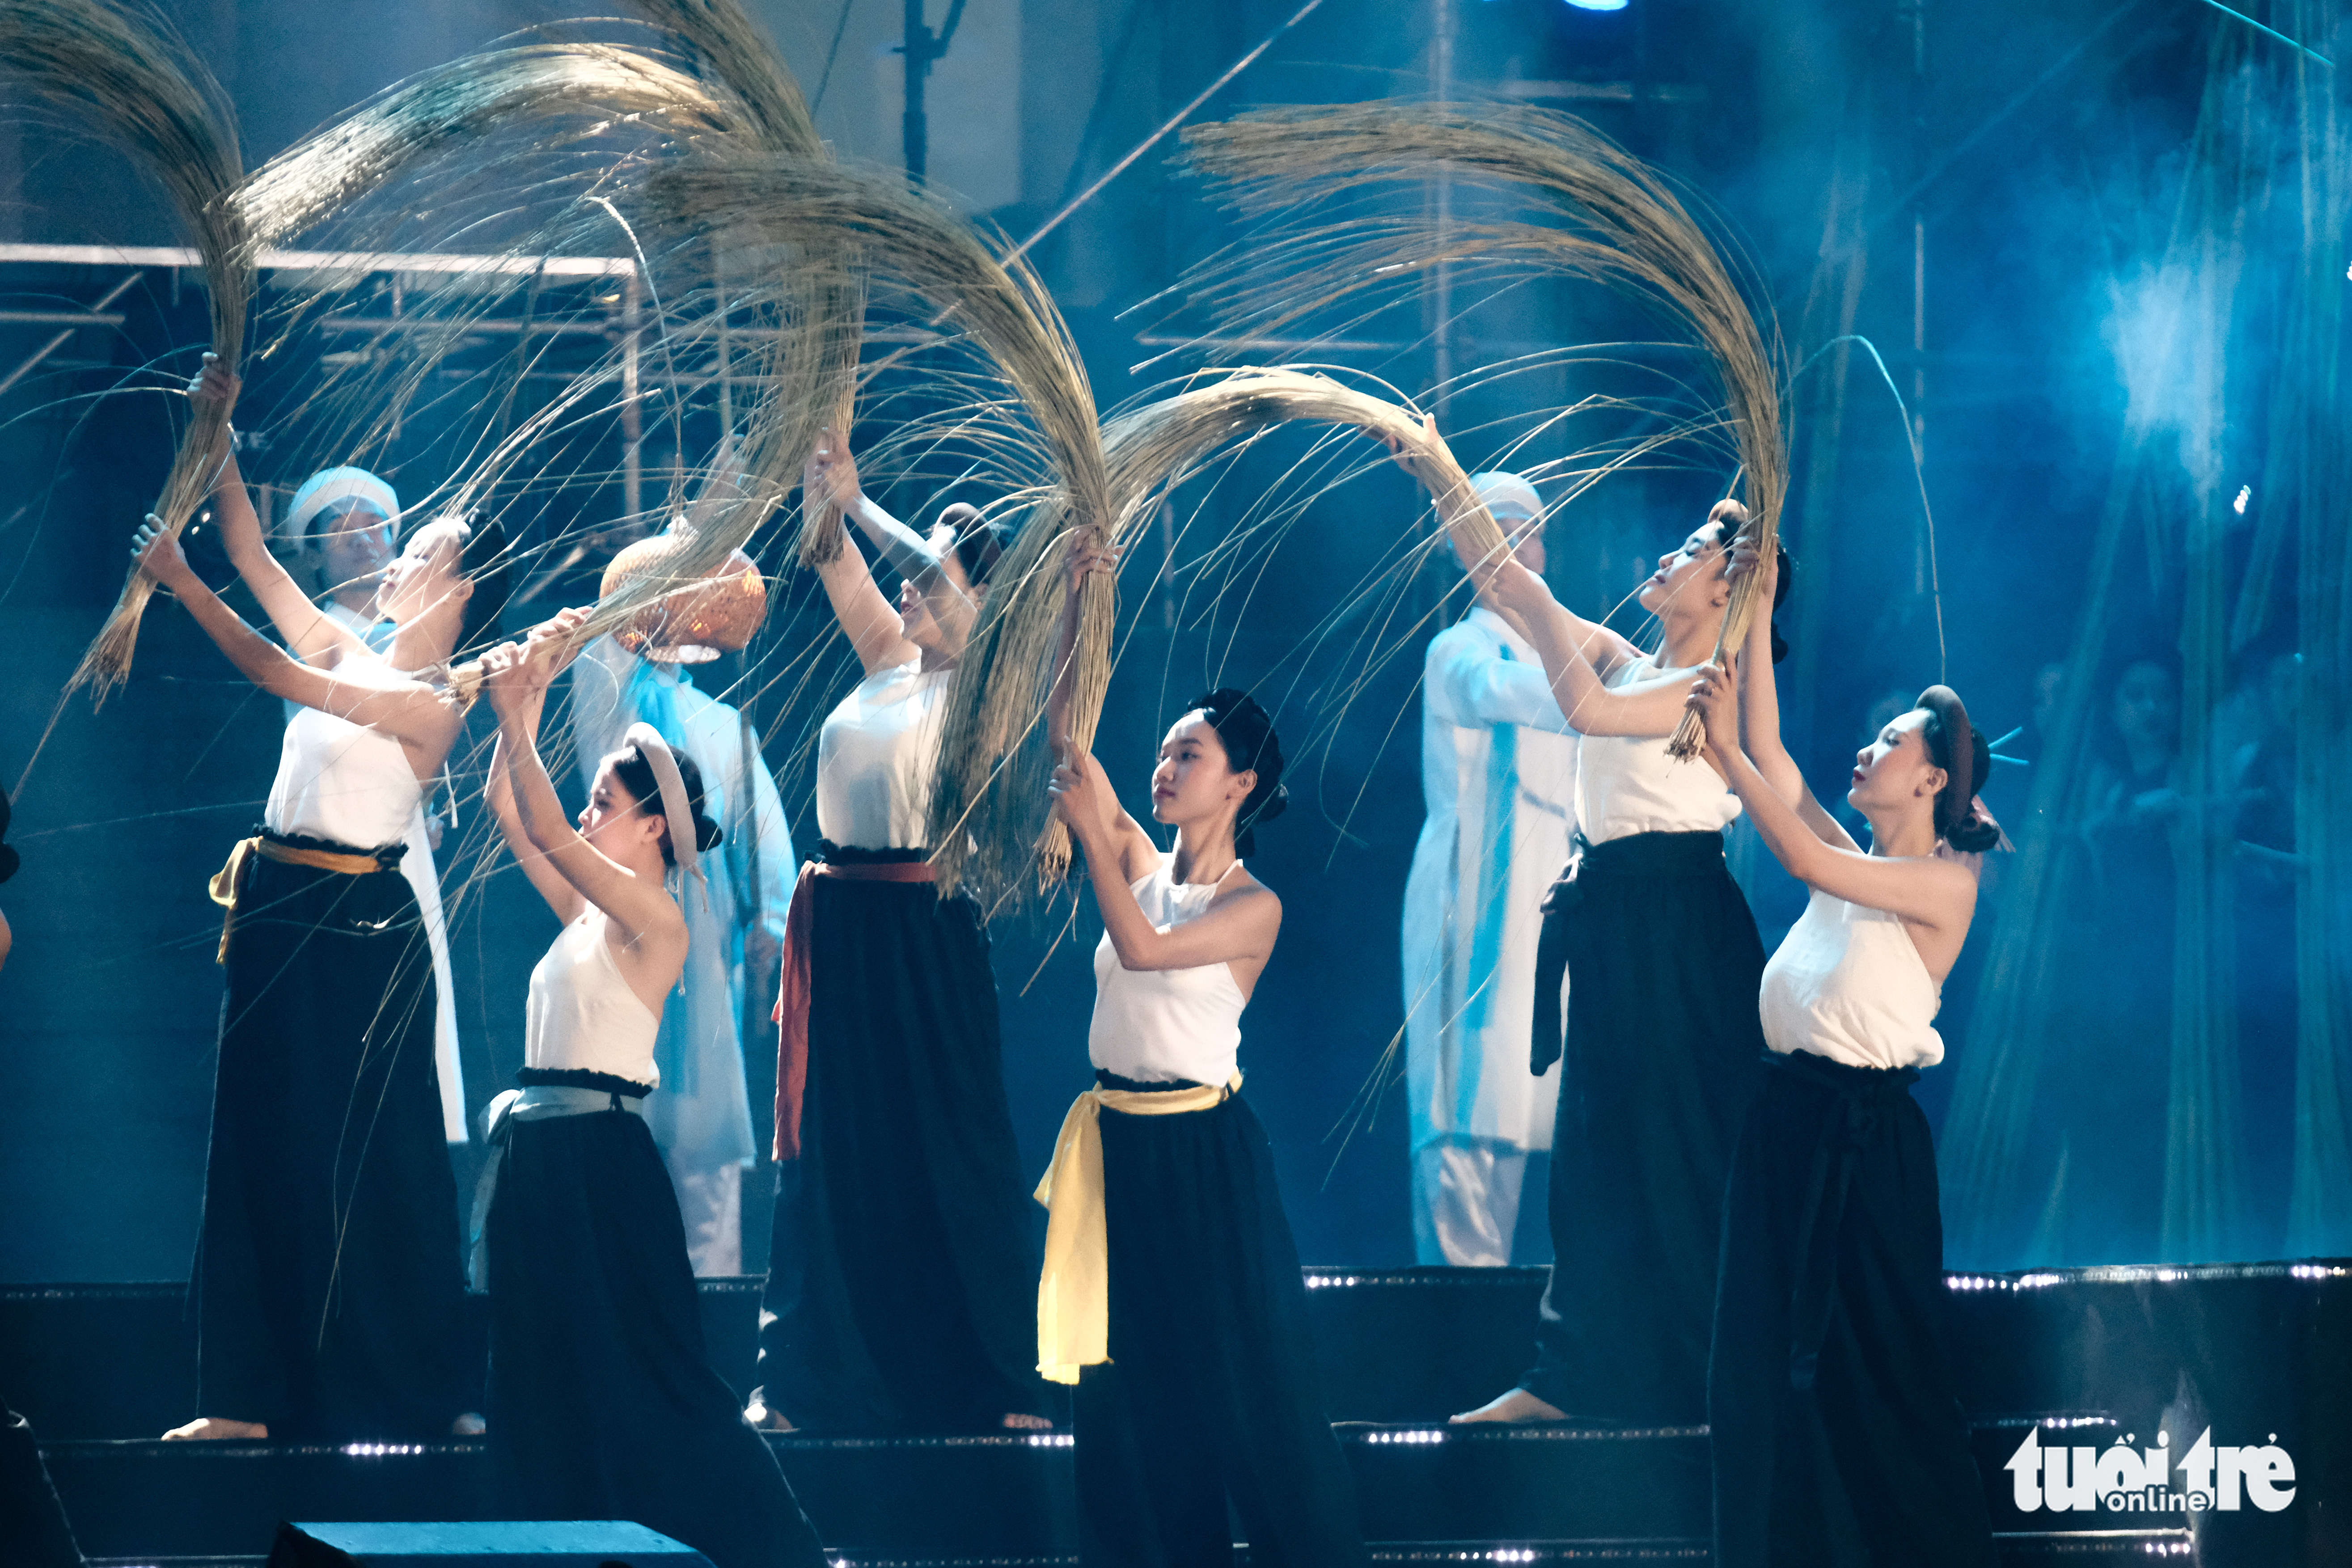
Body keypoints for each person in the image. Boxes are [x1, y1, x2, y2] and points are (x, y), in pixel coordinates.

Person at [131, 400, 503, 1440]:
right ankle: (243, 1395)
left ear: (458, 589)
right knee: (258, 1138)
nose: (398, 557)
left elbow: (268, 669)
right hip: (276, 911)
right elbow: (249, 543)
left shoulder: (432, 699)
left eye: (420, 551)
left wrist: (181, 583)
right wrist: (217, 434)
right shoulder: (350, 645)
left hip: (362, 928)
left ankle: (424, 1382)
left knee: (379, 1156)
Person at [473, 612, 825, 1568]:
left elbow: (546, 819)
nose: (588, 813)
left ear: (654, 824)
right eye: (589, 798)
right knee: (540, 1363)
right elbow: (516, 816)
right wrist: (521, 703)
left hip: (598, 1162)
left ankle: (754, 1544)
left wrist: (518, 714)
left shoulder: (656, 918)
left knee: (651, 1373)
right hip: (542, 1160)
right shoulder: (589, 911)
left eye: (603, 800)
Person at [1038, 546, 1365, 1566]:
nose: (1165, 765)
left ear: (1241, 782)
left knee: (1245, 1379)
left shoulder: (1249, 905)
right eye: (1167, 749)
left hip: (1203, 1158)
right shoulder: (1140, 858)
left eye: (1190, 755)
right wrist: (1080, 602)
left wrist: (1091, 838)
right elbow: (1067, 744)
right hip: (1118, 1152)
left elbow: (1141, 950)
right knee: (1126, 1386)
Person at [1439, 473, 1787, 1427]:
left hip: (1679, 930)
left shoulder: (1701, 686)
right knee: (1595, 1152)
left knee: (1680, 1150)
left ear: (1727, 595)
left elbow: (1584, 708)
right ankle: (1572, 1373)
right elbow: (1506, 582)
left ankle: (1701, 1373)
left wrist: (1545, 610)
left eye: (1692, 554)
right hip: (1611, 922)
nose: (1666, 559)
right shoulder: (1631, 660)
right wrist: (1438, 473)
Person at [1683, 583, 2000, 1566]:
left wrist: (1723, 756)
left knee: (1880, 1380)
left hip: (1865, 1159)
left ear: (1928, 780)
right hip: (1781, 1131)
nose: (1866, 749)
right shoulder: (1852, 852)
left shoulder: (1942, 884)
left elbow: (1794, 839)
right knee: (1755, 1372)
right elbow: (1776, 761)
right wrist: (1757, 612)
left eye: (1889, 741)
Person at [747, 429, 1049, 1434]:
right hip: (841, 923)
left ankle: (999, 1374)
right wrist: (823, 480)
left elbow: (925, 576)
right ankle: (804, 1376)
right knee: (832, 1144)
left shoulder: (985, 689)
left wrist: (869, 502)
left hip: (926, 926)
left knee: (955, 1141)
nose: (910, 591)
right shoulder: (888, 657)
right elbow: (829, 555)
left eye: (932, 575)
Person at [572, 632, 794, 1274]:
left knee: (702, 1131)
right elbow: (597, 675)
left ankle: (710, 1300)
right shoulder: (618, 708)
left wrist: (772, 918)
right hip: (621, 920)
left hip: (704, 931)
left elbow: (763, 828)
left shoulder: (724, 723)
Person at [1400, 471, 1574, 1266]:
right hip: (1472, 899)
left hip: (1549, 905)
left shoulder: (1569, 652)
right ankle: (1457, 1333)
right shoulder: (1460, 650)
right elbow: (1512, 694)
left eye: (1520, 532)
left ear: (1541, 548)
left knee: (1533, 1111)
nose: (1508, 548)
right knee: (1469, 1114)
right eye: (1489, 534)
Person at [275, 452, 467, 1144]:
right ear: (316, 558)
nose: (363, 539)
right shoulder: (319, 641)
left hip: (404, 855)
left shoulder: (424, 639)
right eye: (342, 530)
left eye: (377, 527)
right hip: (332, 862)